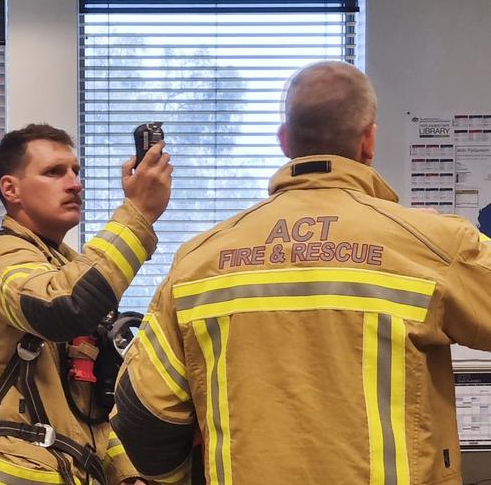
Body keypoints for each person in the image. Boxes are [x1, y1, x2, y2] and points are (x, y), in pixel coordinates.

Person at [111, 61, 491, 484]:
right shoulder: (432, 244)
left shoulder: (198, 260)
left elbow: (142, 412)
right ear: (369, 141)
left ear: (285, 141)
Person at [0, 123, 171, 485]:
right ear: (11, 189)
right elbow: (63, 307)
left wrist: (126, 475)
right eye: (54, 172)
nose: (74, 183)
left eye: (75, 172)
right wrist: (138, 215)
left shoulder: (65, 268)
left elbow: (89, 414)